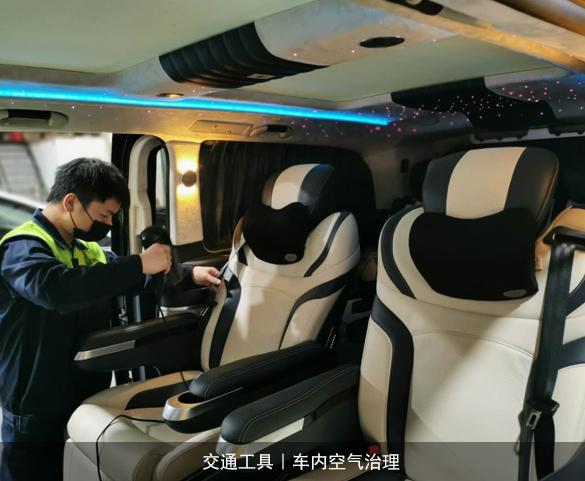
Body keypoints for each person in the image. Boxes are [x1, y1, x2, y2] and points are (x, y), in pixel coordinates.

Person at [0, 158, 220, 481]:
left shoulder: (86, 249)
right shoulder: (22, 247)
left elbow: (123, 276)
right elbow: (55, 289)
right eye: (104, 214)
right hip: (34, 399)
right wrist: (139, 263)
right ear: (71, 202)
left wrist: (188, 273)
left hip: (80, 391)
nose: (108, 223)